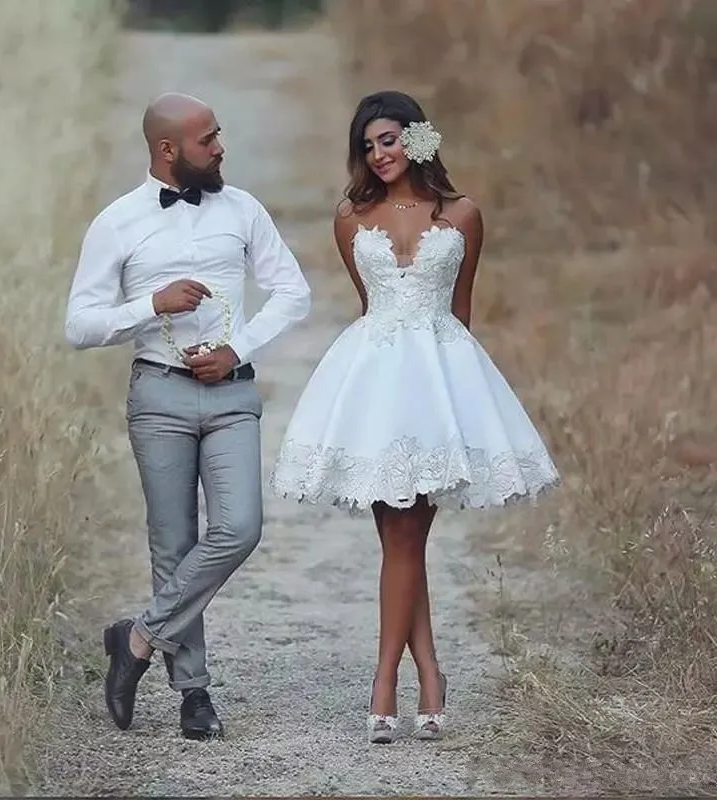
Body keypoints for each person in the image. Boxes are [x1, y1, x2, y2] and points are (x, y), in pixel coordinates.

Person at [270, 90, 559, 744]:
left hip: (439, 378)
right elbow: (370, 302)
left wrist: (460, 403)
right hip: (373, 382)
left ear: (419, 140)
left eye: (389, 140)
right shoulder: (350, 216)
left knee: (405, 539)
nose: (379, 154)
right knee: (402, 541)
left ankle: (386, 684)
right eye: (368, 146)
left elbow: (461, 310)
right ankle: (428, 673)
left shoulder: (463, 216)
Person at [64, 92, 311, 740]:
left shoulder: (243, 209)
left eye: (220, 134)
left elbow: (293, 291)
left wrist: (240, 348)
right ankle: (193, 694)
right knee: (173, 544)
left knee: (240, 526)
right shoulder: (117, 222)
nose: (221, 146)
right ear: (168, 150)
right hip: (159, 396)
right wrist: (151, 303)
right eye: (208, 138)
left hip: (232, 395)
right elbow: (80, 325)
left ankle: (137, 639)